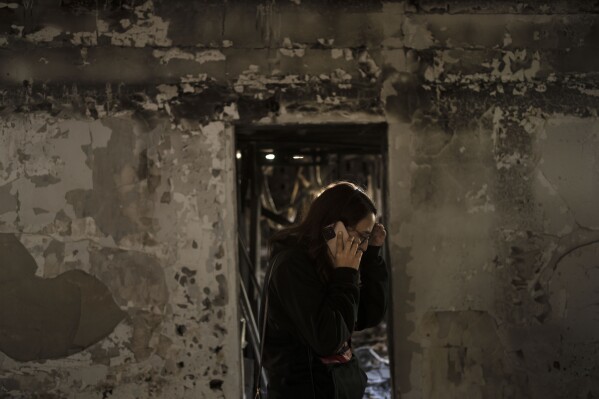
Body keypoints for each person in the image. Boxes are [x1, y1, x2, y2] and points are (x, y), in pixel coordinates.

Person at [260, 181, 389, 399]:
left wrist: (372, 258)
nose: (364, 246)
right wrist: (345, 275)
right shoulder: (292, 266)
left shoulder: (331, 262)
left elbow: (368, 315)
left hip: (335, 387)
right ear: (334, 229)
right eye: (363, 236)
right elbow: (328, 339)